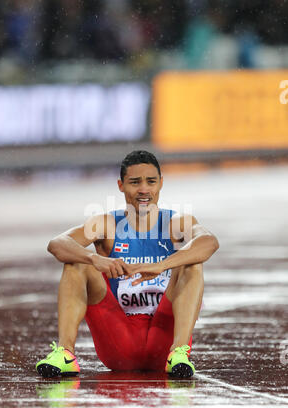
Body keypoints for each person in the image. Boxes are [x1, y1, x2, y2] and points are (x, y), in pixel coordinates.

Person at [36, 150, 219, 378]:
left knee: (192, 262)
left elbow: (209, 242)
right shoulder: (106, 224)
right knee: (76, 263)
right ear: (121, 185)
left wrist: (163, 264)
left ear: (161, 184)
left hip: (164, 344)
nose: (144, 190)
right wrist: (95, 258)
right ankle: (65, 354)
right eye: (135, 182)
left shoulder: (176, 223)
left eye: (151, 182)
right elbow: (58, 243)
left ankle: (180, 352)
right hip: (118, 342)